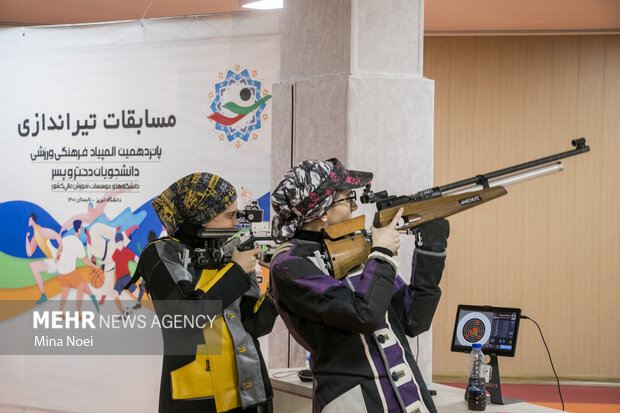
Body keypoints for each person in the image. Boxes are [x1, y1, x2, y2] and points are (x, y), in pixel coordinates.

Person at [269, 159, 450, 413]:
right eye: (346, 198)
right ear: (322, 210)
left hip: (407, 398)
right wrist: (382, 253)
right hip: (353, 402)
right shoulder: (290, 266)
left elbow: (413, 320)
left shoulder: (353, 247)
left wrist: (431, 249)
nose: (355, 205)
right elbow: (364, 314)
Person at [134, 172, 278, 413]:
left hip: (247, 395)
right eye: (230, 216)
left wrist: (277, 285)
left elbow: (254, 327)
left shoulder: (229, 255)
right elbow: (187, 317)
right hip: (198, 400)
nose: (236, 224)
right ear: (202, 217)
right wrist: (238, 270)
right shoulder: (161, 253)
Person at [57, 220, 100, 314]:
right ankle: (78, 312)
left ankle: (60, 313)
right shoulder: (78, 244)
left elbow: (60, 246)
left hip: (61, 270)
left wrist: (57, 257)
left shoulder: (67, 238)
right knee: (81, 288)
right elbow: (84, 259)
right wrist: (94, 266)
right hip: (69, 271)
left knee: (67, 290)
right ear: (79, 229)